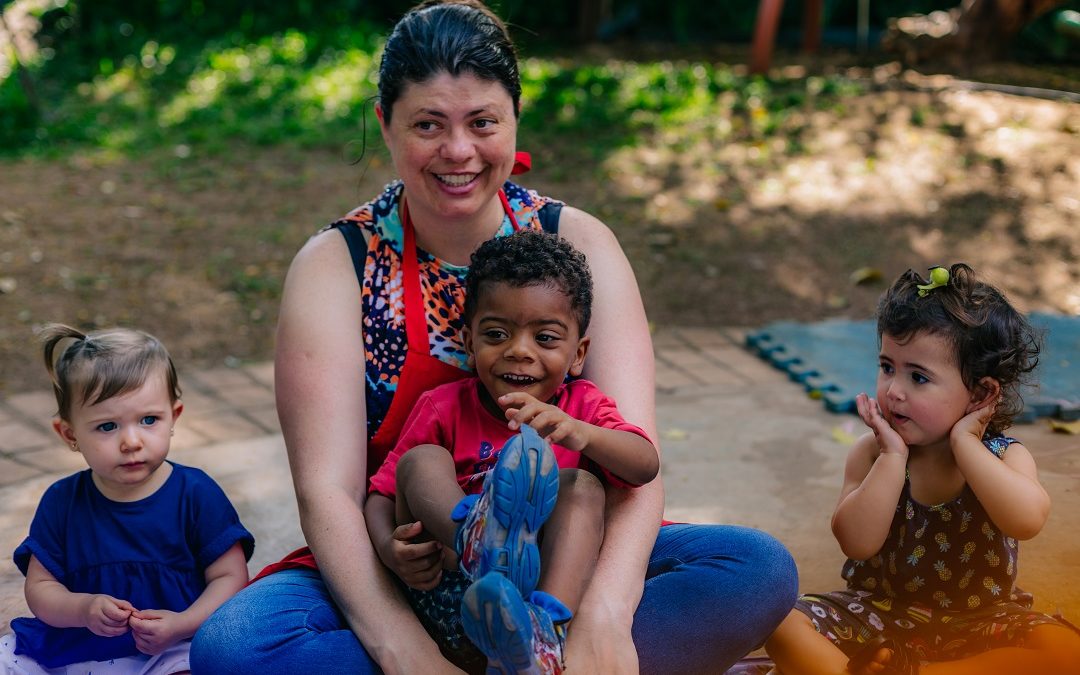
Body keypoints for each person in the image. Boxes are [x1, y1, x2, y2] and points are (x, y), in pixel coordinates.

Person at [190, 1, 797, 673]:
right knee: (237, 646)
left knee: (754, 568)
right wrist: (407, 652)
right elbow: (329, 495)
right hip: (408, 571)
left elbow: (635, 468)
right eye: (428, 124)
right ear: (385, 124)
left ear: (514, 119)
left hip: (564, 557)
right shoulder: (337, 265)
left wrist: (603, 617)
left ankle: (542, 648)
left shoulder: (578, 243)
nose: (458, 151)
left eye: (482, 122)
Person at [365, 229, 659, 672]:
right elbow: (381, 496)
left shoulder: (582, 406)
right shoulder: (443, 406)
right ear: (470, 343)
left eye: (546, 338)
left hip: (530, 596)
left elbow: (645, 465)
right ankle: (475, 536)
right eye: (497, 334)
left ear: (578, 354)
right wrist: (389, 550)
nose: (519, 351)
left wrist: (582, 434)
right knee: (421, 459)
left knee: (583, 486)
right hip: (448, 590)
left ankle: (544, 631)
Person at [763, 264, 1080, 675]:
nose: (894, 390)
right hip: (879, 615)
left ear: (980, 394)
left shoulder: (1004, 456)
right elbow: (856, 543)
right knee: (781, 624)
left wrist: (966, 445)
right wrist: (892, 459)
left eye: (918, 377)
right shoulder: (871, 455)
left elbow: (1027, 520)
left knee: (1066, 651)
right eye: (887, 367)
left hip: (980, 620)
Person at [0, 324, 254, 674]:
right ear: (69, 433)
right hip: (79, 644)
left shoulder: (196, 494)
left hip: (173, 645)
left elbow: (231, 578)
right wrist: (82, 609)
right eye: (107, 426)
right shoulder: (62, 501)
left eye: (149, 420)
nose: (131, 442)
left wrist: (183, 623)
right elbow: (41, 588)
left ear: (174, 416)